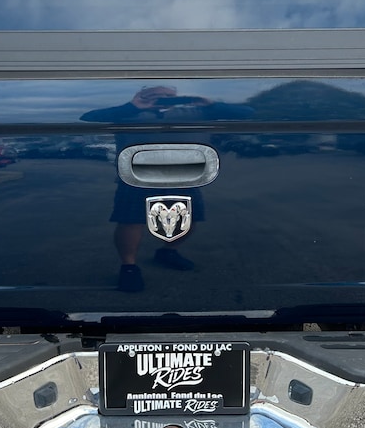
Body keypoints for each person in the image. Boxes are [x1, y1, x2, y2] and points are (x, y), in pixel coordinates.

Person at [80, 86, 253, 291]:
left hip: (185, 175)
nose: (164, 99)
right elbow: (87, 118)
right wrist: (131, 106)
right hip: (136, 175)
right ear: (143, 95)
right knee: (130, 220)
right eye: (156, 95)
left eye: (170, 96)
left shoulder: (196, 111)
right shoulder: (128, 112)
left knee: (189, 220)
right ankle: (129, 267)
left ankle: (168, 251)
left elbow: (248, 114)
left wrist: (211, 103)